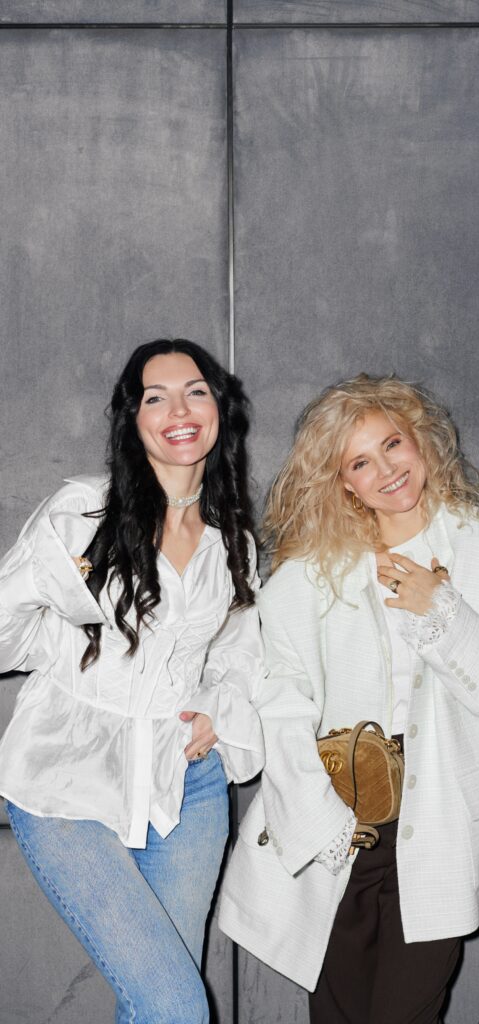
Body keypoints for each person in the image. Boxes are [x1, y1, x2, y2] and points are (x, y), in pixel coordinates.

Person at [219, 374, 479, 1024]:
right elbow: (279, 698)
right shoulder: (311, 572)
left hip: (442, 821)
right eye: (360, 462)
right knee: (337, 1015)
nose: (386, 470)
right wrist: (317, 818)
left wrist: (442, 610)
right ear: (344, 482)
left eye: (392, 443)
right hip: (339, 821)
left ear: (420, 439)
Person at [0, 339, 265, 1024]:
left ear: (220, 408)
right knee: (175, 1006)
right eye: (156, 397)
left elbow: (239, 654)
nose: (179, 410)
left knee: (151, 1005)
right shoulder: (81, 512)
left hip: (186, 787)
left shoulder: (232, 540)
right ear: (133, 418)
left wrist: (217, 707)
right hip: (67, 779)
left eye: (196, 392)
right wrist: (47, 579)